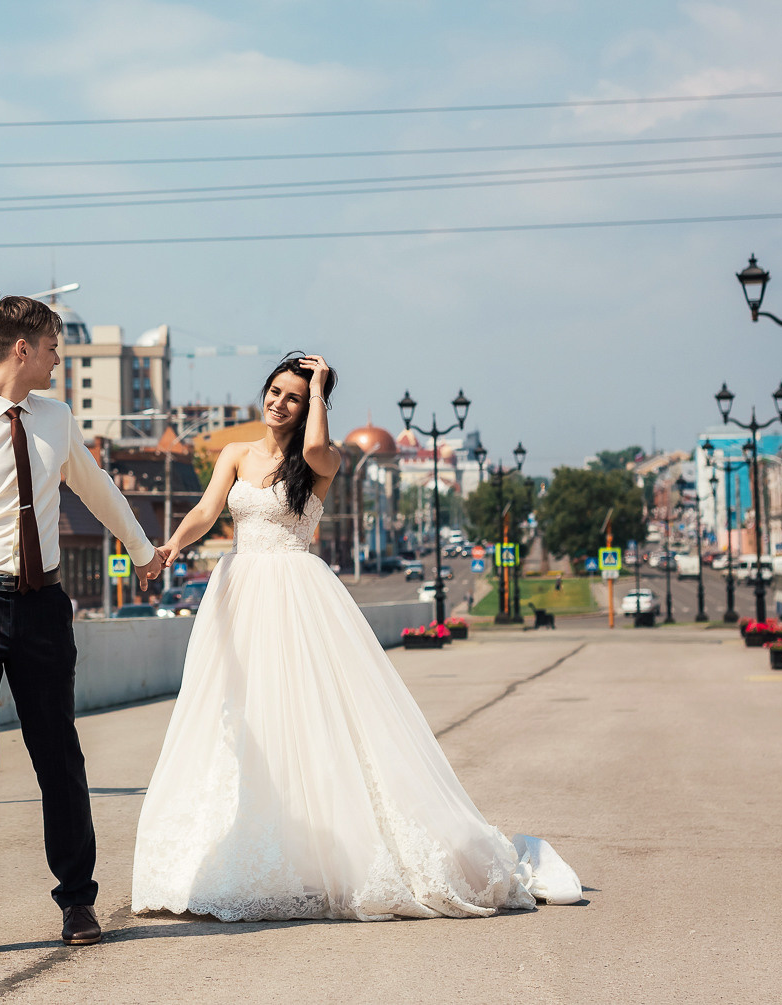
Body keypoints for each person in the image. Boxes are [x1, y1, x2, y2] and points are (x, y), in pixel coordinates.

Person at [132, 353, 581, 922]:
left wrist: (318, 387)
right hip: (238, 593)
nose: (278, 402)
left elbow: (317, 447)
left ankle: (326, 854)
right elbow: (205, 509)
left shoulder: (323, 459)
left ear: (308, 406)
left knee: (304, 718)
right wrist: (173, 545)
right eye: (275, 390)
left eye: (292, 397)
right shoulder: (235, 453)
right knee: (240, 720)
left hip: (295, 592)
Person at [0, 294, 161, 962]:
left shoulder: (56, 419)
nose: (57, 358)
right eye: (51, 347)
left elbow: (97, 487)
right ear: (22, 348)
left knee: (59, 755)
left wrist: (141, 550)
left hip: (43, 607)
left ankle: (77, 899)